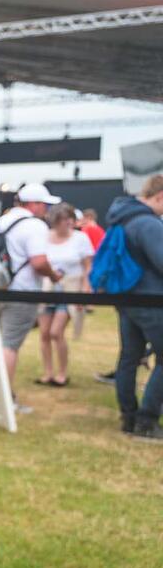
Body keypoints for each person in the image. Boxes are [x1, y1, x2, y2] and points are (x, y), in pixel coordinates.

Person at [0, 183, 63, 414]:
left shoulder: (3, 220)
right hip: (21, 291)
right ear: (34, 204)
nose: (47, 210)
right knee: (9, 346)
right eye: (45, 205)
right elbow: (39, 262)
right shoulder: (34, 226)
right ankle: (5, 399)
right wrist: (54, 276)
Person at [107, 175, 163, 440]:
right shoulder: (148, 224)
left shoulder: (122, 218)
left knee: (129, 358)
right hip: (151, 300)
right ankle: (147, 420)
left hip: (127, 299)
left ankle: (129, 417)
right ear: (160, 196)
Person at [35, 204, 93, 386]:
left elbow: (88, 267)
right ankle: (48, 373)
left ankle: (62, 373)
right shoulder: (44, 237)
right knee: (44, 333)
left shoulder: (80, 238)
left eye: (70, 219)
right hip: (48, 289)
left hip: (70, 289)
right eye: (63, 220)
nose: (67, 223)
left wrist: (85, 291)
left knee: (56, 332)